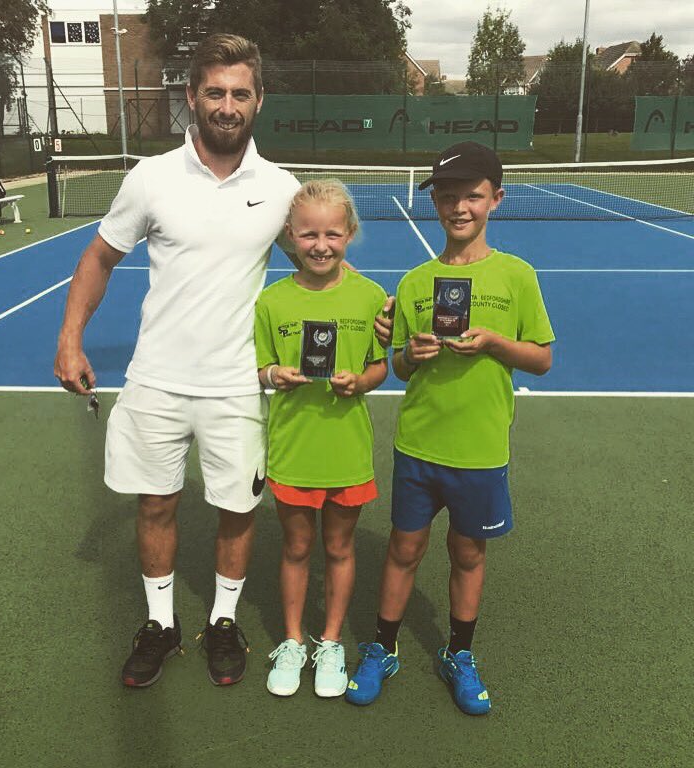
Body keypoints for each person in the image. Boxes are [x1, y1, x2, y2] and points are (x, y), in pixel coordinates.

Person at [53, 33, 304, 688]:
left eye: (239, 93)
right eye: (214, 92)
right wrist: (70, 340)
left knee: (236, 511)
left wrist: (375, 318)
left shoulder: (281, 188)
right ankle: (161, 625)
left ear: (259, 101)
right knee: (156, 504)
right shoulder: (151, 177)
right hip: (157, 382)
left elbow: (322, 268)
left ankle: (223, 619)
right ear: (192, 97)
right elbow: (99, 258)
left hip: (235, 388)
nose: (227, 105)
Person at [345, 141, 555, 714]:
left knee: (468, 554)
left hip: (481, 452)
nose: (458, 207)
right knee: (403, 549)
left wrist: (493, 343)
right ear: (434, 203)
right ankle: (383, 647)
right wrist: (413, 355)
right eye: (447, 196)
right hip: (418, 446)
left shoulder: (517, 276)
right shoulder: (415, 283)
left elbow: (540, 358)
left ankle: (458, 653)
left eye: (472, 195)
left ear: (496, 200)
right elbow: (399, 368)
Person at [254, 179, 388, 698]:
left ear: (349, 234)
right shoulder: (271, 301)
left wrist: (360, 382)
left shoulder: (371, 296)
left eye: (333, 233)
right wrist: (273, 377)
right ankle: (292, 639)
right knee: (295, 548)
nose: (320, 245)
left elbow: (378, 369)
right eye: (308, 234)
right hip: (292, 451)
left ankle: (330, 641)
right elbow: (259, 366)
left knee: (338, 547)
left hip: (348, 453)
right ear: (290, 235)